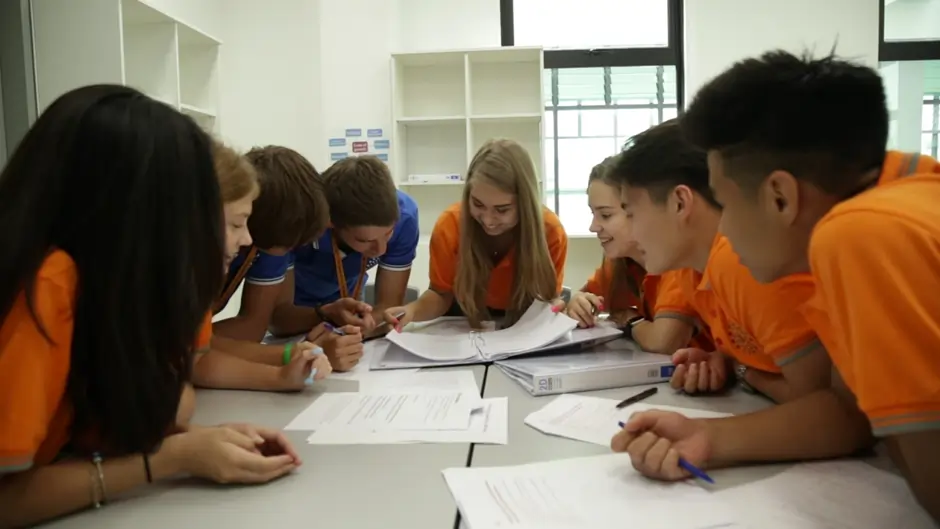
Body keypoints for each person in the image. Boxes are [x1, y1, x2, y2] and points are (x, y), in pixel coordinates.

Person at [612, 51, 940, 522]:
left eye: (725, 204)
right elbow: (847, 411)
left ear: (780, 197)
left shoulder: (865, 233)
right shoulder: (897, 202)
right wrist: (707, 437)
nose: (725, 229)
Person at [0, 85, 301, 528]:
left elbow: (85, 432)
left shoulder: (103, 287)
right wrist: (166, 458)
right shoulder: (48, 285)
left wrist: (196, 442)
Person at [609, 120, 827, 404]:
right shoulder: (691, 271)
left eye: (631, 214)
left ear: (680, 203)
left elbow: (824, 403)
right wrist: (721, 360)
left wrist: (742, 371)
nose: (632, 232)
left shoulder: (741, 260)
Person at [189, 143, 333, 391]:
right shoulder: (184, 270)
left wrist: (286, 361)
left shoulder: (262, 245)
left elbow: (198, 352)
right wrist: (280, 363)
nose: (246, 239)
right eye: (236, 224)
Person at [383, 138, 568, 329]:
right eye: (478, 204)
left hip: (523, 324)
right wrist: (412, 310)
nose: (488, 220)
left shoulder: (551, 232)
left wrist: (557, 308)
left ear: (525, 205)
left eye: (502, 210)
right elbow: (440, 294)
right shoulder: (449, 226)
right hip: (462, 321)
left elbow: (548, 300)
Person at [248, 156, 419, 359]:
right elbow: (277, 320)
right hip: (297, 317)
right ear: (330, 223)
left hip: (346, 307)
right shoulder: (299, 219)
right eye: (364, 240)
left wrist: (353, 331)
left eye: (388, 234)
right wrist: (325, 316)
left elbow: (387, 309)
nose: (381, 250)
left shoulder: (405, 216)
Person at [208, 145, 361, 372]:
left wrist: (300, 353)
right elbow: (182, 346)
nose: (245, 238)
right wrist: (293, 355)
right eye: (237, 224)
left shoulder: (269, 245)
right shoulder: (263, 242)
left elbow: (252, 328)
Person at [566, 155, 714, 352]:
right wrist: (576, 301)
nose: (593, 227)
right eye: (593, 214)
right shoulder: (621, 264)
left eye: (606, 215)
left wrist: (630, 319)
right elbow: (583, 298)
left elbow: (663, 341)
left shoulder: (675, 259)